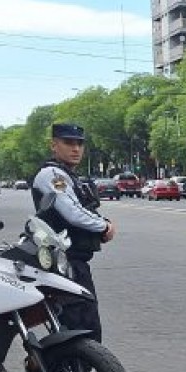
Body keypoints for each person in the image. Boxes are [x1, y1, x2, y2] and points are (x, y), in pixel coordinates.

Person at [31, 123, 115, 342]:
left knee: (83, 326)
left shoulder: (66, 174)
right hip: (64, 262)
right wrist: (104, 226)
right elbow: (72, 212)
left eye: (79, 144)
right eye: (68, 143)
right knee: (81, 328)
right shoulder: (52, 174)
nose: (76, 149)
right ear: (54, 145)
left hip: (74, 261)